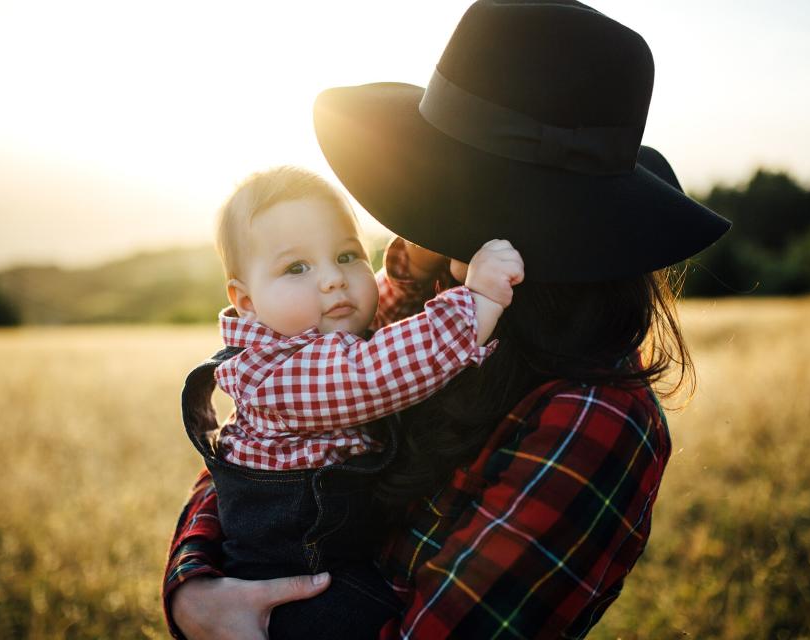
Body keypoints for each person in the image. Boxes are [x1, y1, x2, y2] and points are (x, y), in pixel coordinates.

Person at [164, 1, 732, 638]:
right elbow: (267, 436)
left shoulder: (595, 417)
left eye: (456, 187)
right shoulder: (417, 284)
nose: (422, 214)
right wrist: (195, 587)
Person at [185, 166, 524, 639]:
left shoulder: (318, 333)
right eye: (296, 268)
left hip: (334, 563)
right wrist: (478, 301)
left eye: (347, 255)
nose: (332, 281)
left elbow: (374, 331)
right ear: (245, 301)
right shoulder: (275, 373)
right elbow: (375, 373)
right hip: (294, 591)